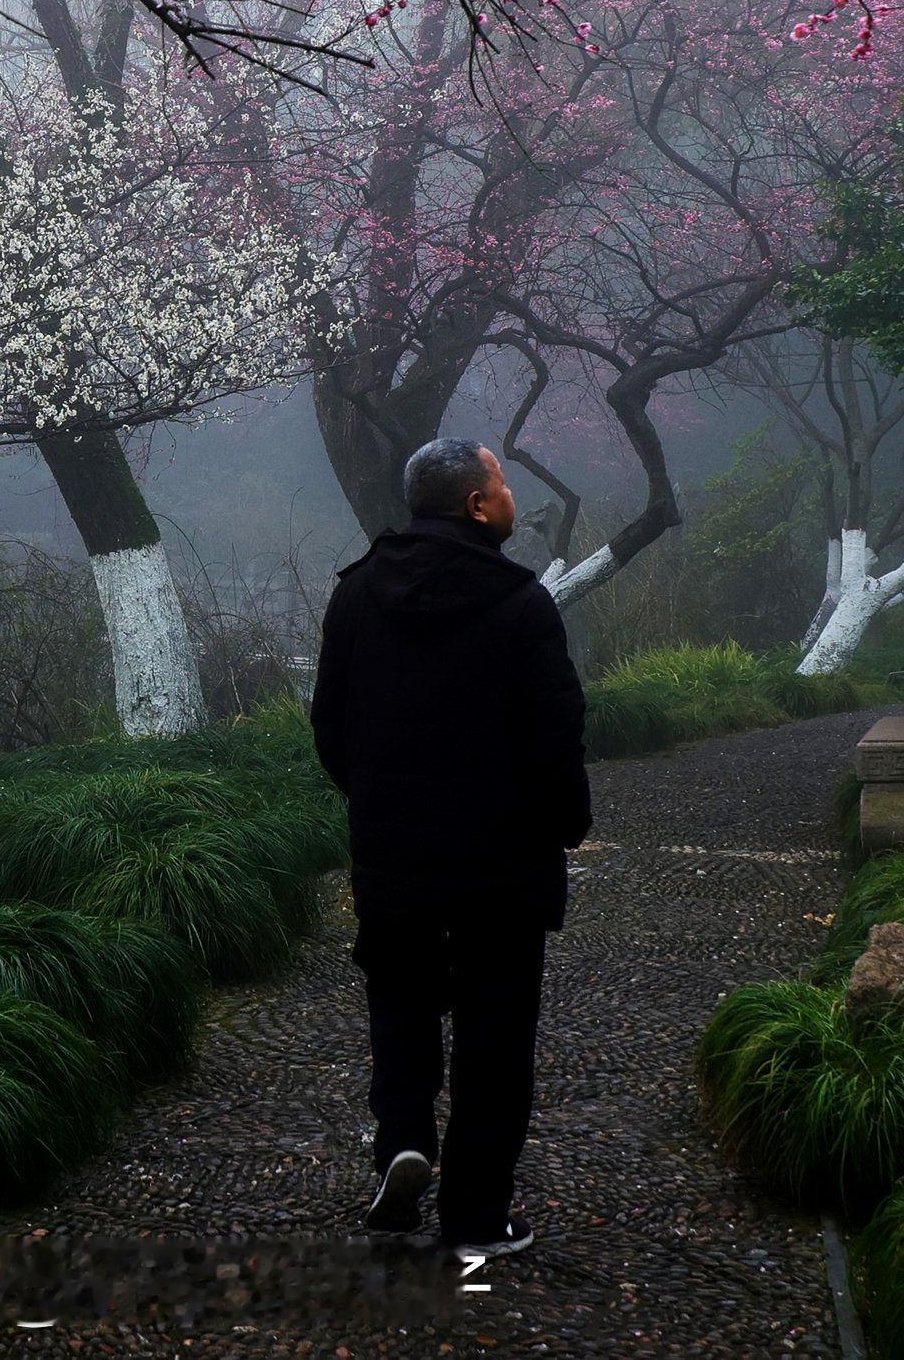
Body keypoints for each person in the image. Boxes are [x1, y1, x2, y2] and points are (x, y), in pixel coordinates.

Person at [307, 437, 591, 1261]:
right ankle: (475, 1215)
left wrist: (375, 801)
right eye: (501, 485)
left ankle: (402, 1138)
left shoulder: (356, 594)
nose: (508, 498)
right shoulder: (520, 602)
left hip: (393, 855)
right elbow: (556, 732)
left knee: (399, 998)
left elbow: (331, 723)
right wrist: (564, 822)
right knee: (496, 1032)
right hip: (502, 862)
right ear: (476, 505)